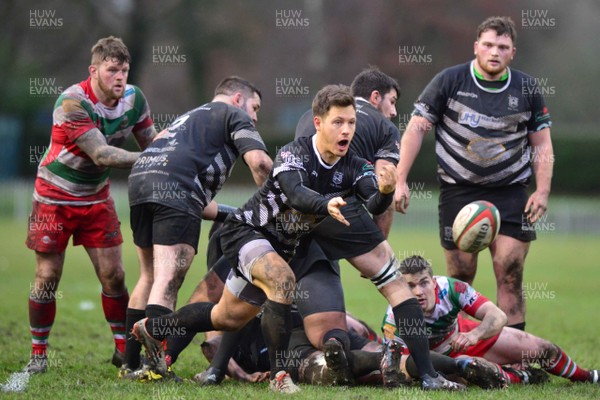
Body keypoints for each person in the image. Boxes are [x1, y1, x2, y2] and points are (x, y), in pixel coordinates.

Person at [132, 84, 397, 394]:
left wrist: (387, 191)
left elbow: (373, 203)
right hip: (246, 232)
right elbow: (297, 195)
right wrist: (325, 204)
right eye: (338, 122)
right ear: (318, 123)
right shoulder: (292, 152)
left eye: (351, 122)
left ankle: (153, 328)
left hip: (279, 248)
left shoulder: (354, 166)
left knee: (225, 317)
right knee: (283, 280)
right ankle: (279, 375)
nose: (346, 130)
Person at [394, 16, 554, 331]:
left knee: (509, 270)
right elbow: (416, 128)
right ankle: (466, 349)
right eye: (489, 45)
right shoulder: (449, 81)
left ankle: (513, 354)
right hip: (459, 192)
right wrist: (400, 179)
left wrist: (543, 189)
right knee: (461, 276)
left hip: (510, 192)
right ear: (476, 47)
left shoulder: (527, 88)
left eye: (503, 47)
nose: (495, 52)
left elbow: (542, 143)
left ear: (512, 53)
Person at [120, 76, 272, 377]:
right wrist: (279, 203)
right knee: (167, 279)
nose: (254, 117)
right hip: (176, 191)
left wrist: (237, 216)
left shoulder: (189, 119)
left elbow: (199, 202)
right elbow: (261, 164)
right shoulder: (234, 115)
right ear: (238, 99)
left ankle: (130, 363)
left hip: (140, 183)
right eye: (255, 107)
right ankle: (154, 368)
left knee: (149, 275)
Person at [24, 36, 157, 374]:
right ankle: (39, 354)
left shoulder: (134, 100)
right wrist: (157, 160)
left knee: (115, 275)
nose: (120, 78)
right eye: (112, 70)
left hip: (96, 198)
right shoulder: (72, 102)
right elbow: (102, 154)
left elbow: (153, 142)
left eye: (124, 71)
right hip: (53, 198)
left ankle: (121, 350)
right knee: (47, 275)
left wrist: (169, 152)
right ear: (94, 70)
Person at [382, 256, 600, 385]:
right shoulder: (395, 313)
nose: (419, 291)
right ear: (402, 287)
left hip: (464, 336)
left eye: (424, 283)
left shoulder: (452, 289)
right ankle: (520, 376)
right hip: (433, 360)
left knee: (542, 349)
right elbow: (399, 364)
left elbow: (498, 316)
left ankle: (587, 376)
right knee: (469, 375)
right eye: (411, 286)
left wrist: (474, 334)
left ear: (434, 282)